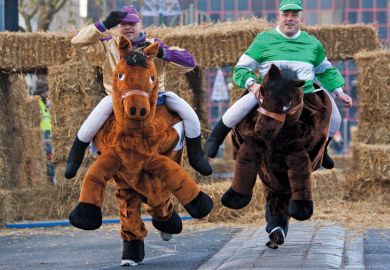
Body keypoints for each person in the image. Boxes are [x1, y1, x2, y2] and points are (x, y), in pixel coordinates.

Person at [65, 5, 212, 178]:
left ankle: (196, 155)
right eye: (122, 24)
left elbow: (190, 63)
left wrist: (163, 53)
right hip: (118, 99)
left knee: (188, 113)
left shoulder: (154, 45)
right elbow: (77, 42)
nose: (127, 27)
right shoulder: (108, 45)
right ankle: (75, 156)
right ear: (117, 26)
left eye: (132, 23)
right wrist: (102, 25)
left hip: (156, 98)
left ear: (141, 25)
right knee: (94, 117)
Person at [206, 0, 353, 169]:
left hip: (305, 92)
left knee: (336, 118)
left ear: (301, 19)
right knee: (240, 107)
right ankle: (215, 137)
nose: (290, 18)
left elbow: (326, 70)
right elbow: (241, 68)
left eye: (294, 15)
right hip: (270, 93)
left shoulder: (313, 43)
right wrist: (253, 86)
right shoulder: (264, 40)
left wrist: (339, 92)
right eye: (286, 14)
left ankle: (323, 150)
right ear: (279, 17)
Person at [35, 79, 56, 184]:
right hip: (43, 133)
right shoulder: (37, 103)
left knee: (52, 156)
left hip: (50, 132)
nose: (48, 93)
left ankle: (52, 179)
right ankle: (50, 180)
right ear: (42, 92)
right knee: (49, 157)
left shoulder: (45, 102)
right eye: (47, 91)